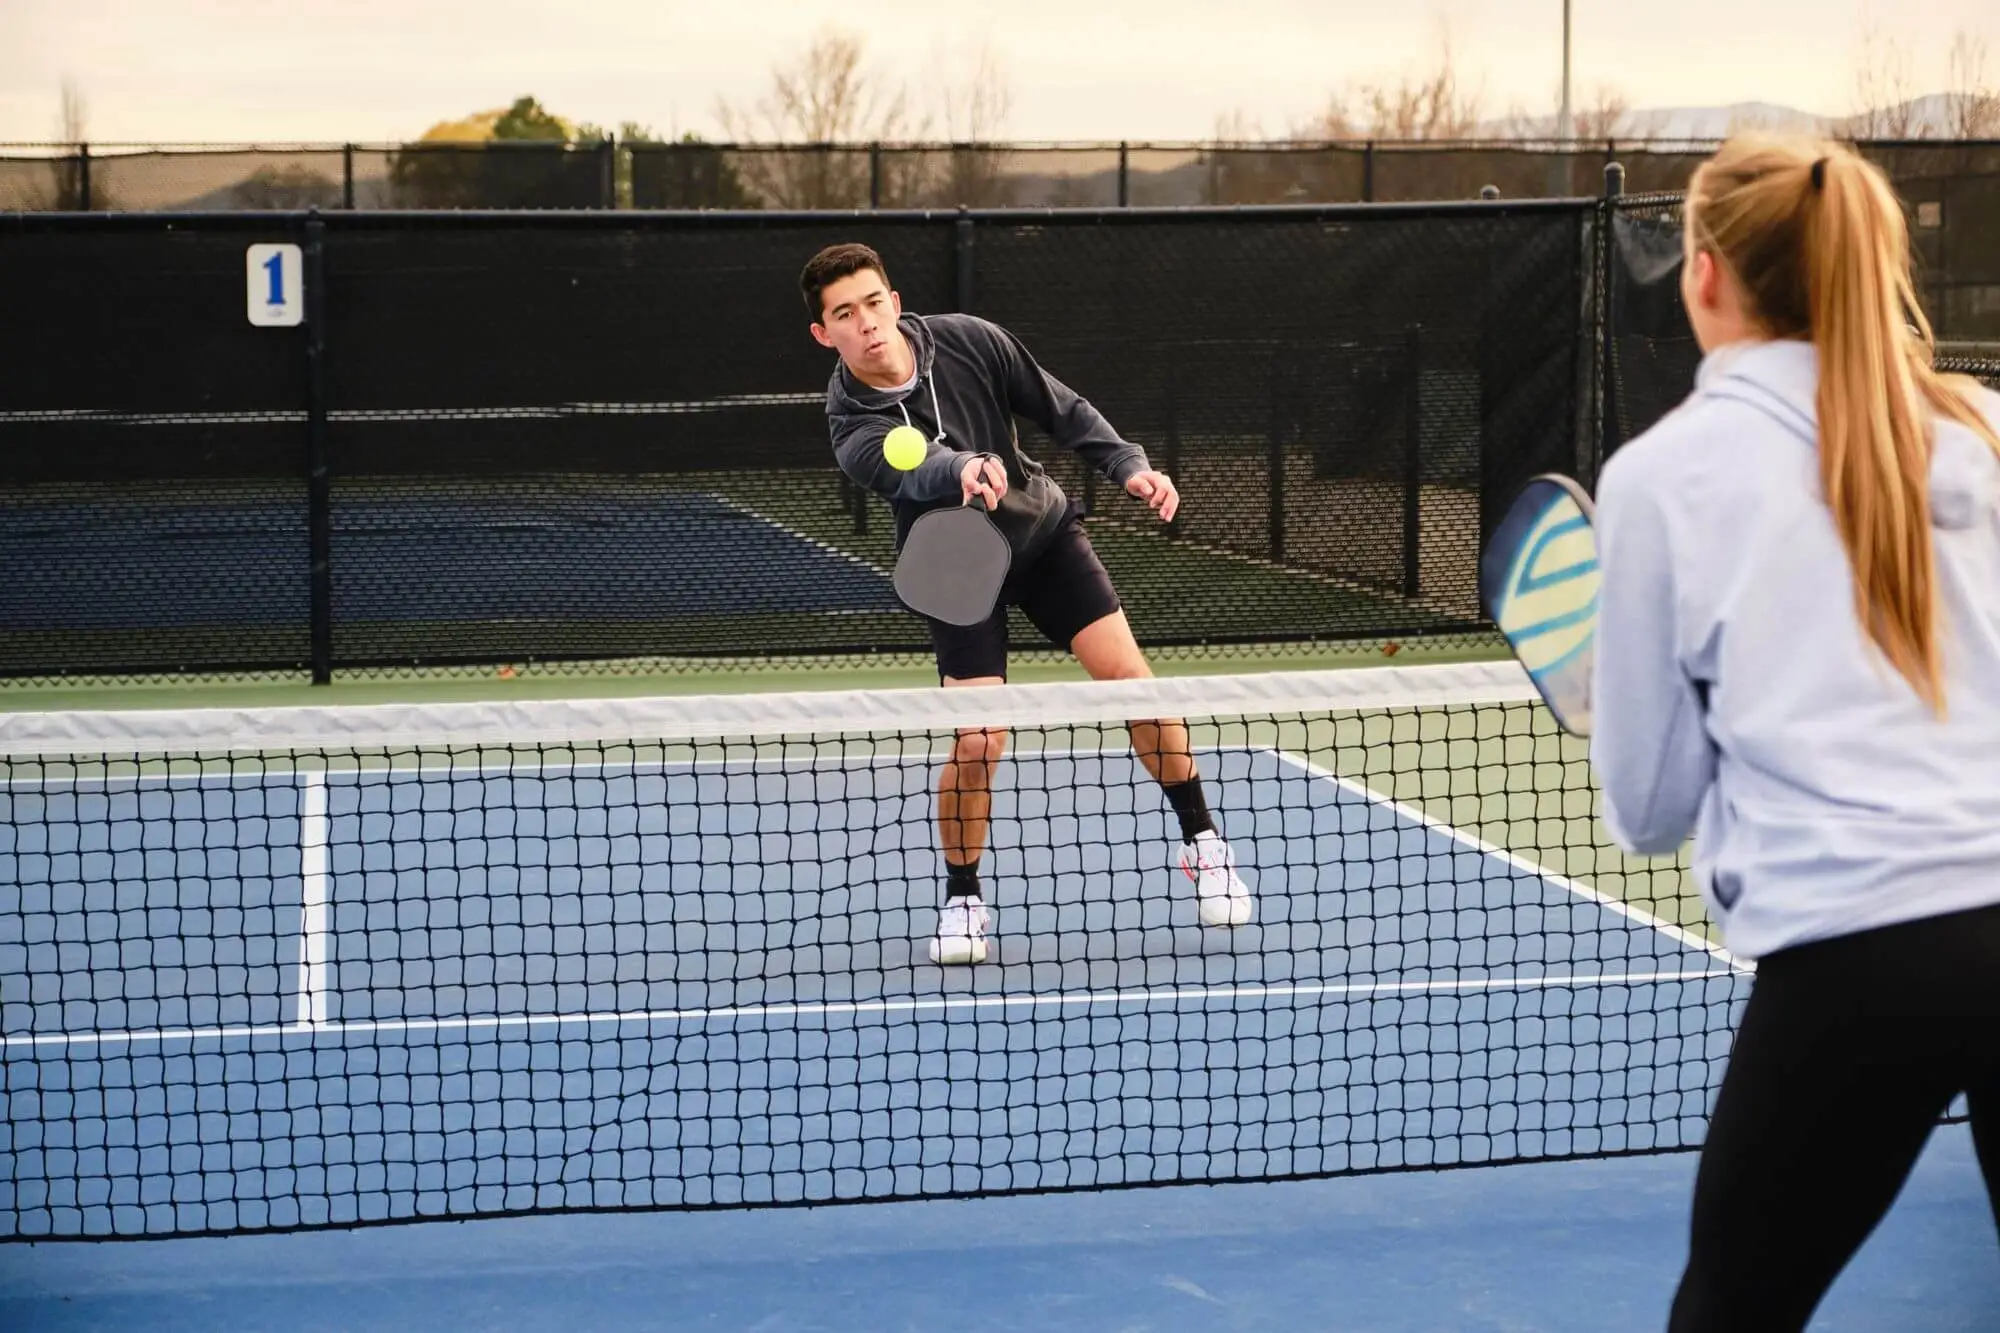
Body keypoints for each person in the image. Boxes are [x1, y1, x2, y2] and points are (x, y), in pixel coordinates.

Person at [1588, 134, 2000, 1331]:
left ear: (1704, 273)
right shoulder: (1978, 428)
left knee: (1732, 1309)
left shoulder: (1663, 477)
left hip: (1860, 958)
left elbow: (1648, 809)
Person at [800, 241, 1254, 965]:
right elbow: (910, 471)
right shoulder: (850, 422)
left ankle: (1204, 842)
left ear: (894, 298)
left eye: (875, 302)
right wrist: (964, 467)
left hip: (1040, 534)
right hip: (954, 564)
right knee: (979, 741)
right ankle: (963, 898)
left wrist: (1128, 464)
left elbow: (1060, 405)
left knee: (1132, 686)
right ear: (825, 333)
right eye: (845, 315)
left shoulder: (970, 341)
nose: (868, 323)